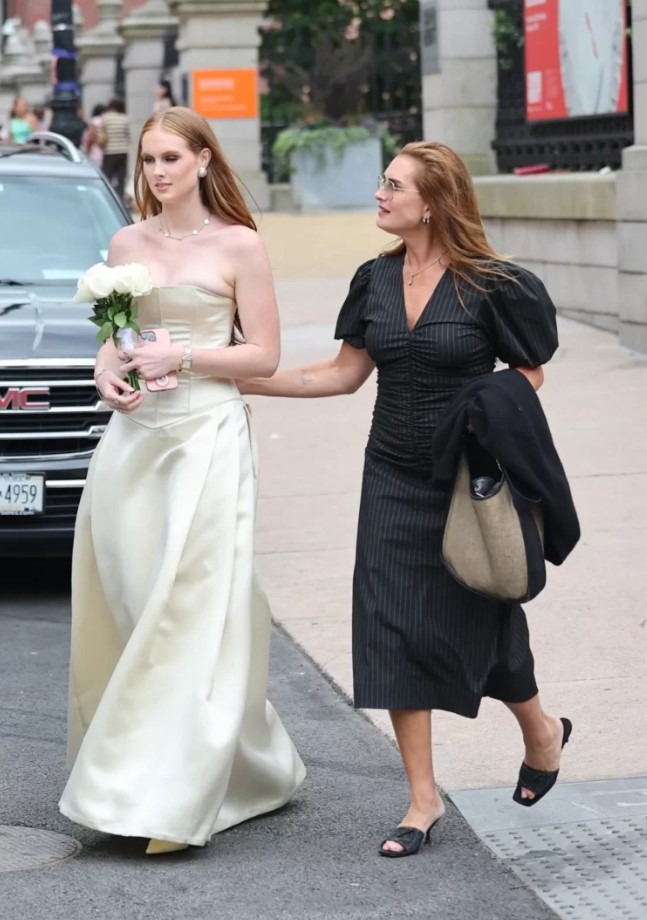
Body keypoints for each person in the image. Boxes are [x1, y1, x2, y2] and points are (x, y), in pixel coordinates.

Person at [238, 141, 574, 858]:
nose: (379, 195)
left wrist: (487, 411)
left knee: (483, 616)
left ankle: (540, 730)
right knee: (390, 624)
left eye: (393, 186)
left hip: (464, 481)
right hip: (390, 474)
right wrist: (242, 381)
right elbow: (340, 374)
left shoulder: (491, 285)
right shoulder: (375, 280)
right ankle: (422, 799)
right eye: (383, 183)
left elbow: (528, 374)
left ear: (434, 202)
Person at [59, 106, 306, 855]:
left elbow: (261, 355)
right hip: (135, 441)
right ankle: (235, 759)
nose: (157, 173)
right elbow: (114, 344)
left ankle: (163, 795)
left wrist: (188, 361)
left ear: (203, 159)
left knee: (188, 608)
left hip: (207, 436)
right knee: (134, 602)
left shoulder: (240, 244)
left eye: (170, 158)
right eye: (147, 161)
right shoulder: (125, 242)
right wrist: (108, 378)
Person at [101, 97, 131, 202]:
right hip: (123, 150)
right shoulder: (124, 118)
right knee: (121, 176)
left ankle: (107, 196)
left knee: (107, 175)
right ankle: (121, 196)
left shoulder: (106, 118)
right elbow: (128, 135)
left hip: (109, 151)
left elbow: (102, 134)